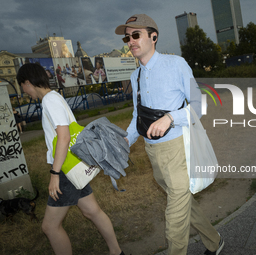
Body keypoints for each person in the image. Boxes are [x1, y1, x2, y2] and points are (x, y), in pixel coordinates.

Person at [115, 14, 224, 255]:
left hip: (177, 150)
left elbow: (199, 105)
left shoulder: (175, 64)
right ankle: (215, 242)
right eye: (127, 37)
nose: (130, 41)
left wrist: (171, 117)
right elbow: (137, 116)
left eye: (136, 35)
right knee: (184, 202)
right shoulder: (136, 76)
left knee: (174, 217)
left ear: (153, 37)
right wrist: (126, 140)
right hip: (153, 154)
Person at [16, 63, 124, 255]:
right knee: (92, 211)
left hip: (65, 168)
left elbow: (64, 137)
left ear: (27, 82)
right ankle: (117, 252)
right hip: (73, 164)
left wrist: (54, 173)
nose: (23, 91)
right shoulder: (55, 97)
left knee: (49, 227)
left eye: (22, 86)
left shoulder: (49, 100)